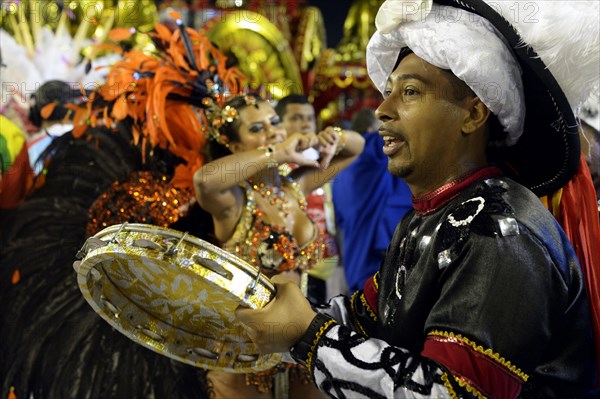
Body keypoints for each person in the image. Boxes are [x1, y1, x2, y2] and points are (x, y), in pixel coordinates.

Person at [235, 0, 599, 398]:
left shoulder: (500, 231)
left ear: (474, 114)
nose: (382, 110)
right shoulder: (430, 217)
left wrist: (308, 337)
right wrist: (264, 312)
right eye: (387, 92)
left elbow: (448, 392)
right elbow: (366, 319)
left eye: (409, 92)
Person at [193, 94, 364, 398]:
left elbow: (355, 148)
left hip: (299, 340)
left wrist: (331, 137)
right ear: (234, 146)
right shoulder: (233, 201)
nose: (272, 132)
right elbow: (204, 181)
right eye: (256, 129)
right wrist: (277, 151)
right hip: (245, 349)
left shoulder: (296, 187)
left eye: (274, 122)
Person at [332, 108, 412, 292]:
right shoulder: (369, 153)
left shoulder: (339, 173)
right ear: (371, 131)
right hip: (375, 261)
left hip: (354, 259)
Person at [275, 94, 340, 304]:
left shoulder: (322, 159)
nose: (305, 124)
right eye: (296, 118)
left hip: (325, 264)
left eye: (310, 118)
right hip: (290, 265)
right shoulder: (273, 167)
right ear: (279, 123)